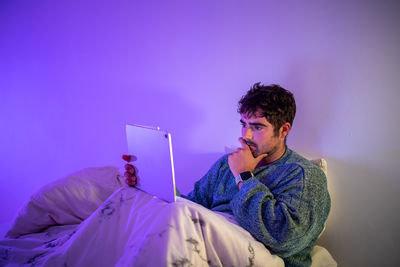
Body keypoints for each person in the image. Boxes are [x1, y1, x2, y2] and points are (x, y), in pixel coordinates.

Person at [123, 83, 331, 267]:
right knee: (125, 193)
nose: (246, 136)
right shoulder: (227, 164)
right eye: (244, 125)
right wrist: (152, 184)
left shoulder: (303, 174)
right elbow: (190, 208)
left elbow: (285, 239)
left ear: (284, 130)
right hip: (208, 244)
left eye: (257, 127)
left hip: (265, 257)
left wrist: (243, 175)